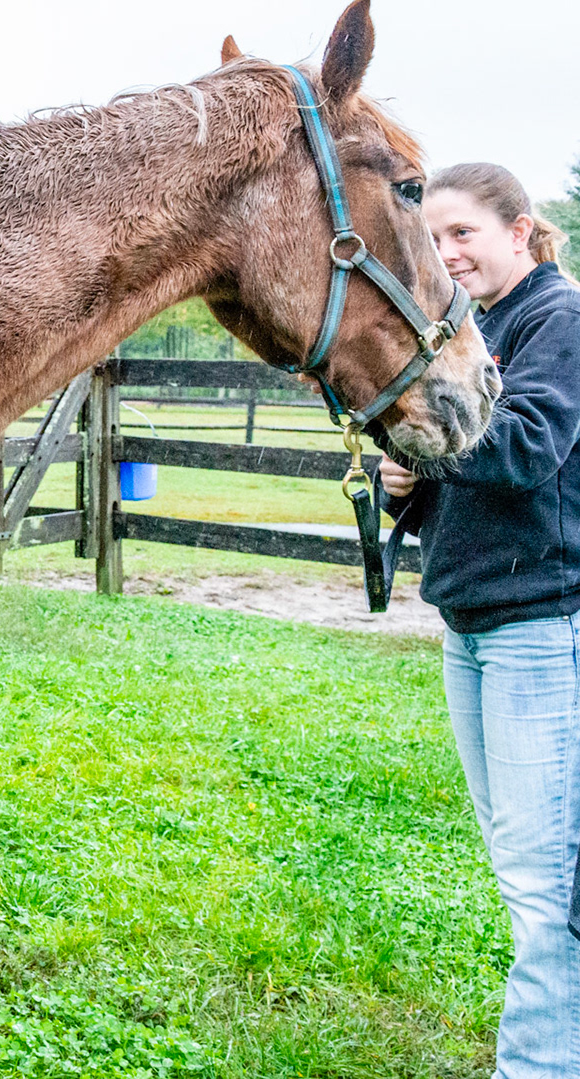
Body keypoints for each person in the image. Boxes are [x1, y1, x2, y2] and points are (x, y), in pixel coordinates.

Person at [379, 161, 580, 1079]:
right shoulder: (477, 330)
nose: (449, 252)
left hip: (543, 626)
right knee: (524, 864)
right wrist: (409, 485)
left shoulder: (557, 320)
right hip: (472, 623)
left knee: (548, 881)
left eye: (464, 233)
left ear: (519, 229)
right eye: (437, 238)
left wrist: (427, 437)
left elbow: (530, 444)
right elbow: (473, 494)